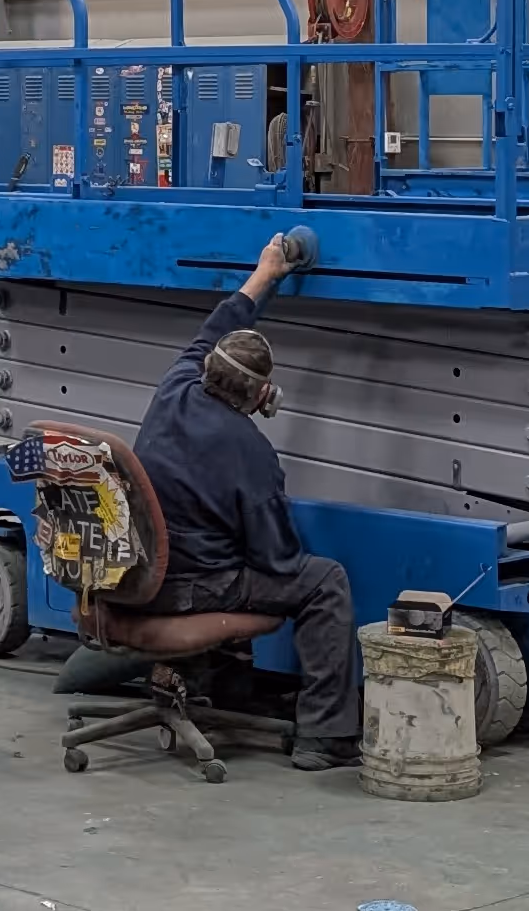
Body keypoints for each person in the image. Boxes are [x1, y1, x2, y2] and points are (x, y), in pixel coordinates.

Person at [133, 232, 362, 769]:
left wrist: (267, 272)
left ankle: (231, 689)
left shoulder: (175, 387)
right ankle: (324, 736)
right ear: (263, 396)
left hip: (135, 574)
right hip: (190, 590)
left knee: (225, 553)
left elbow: (220, 323)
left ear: (207, 367)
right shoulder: (252, 453)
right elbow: (277, 560)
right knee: (323, 582)